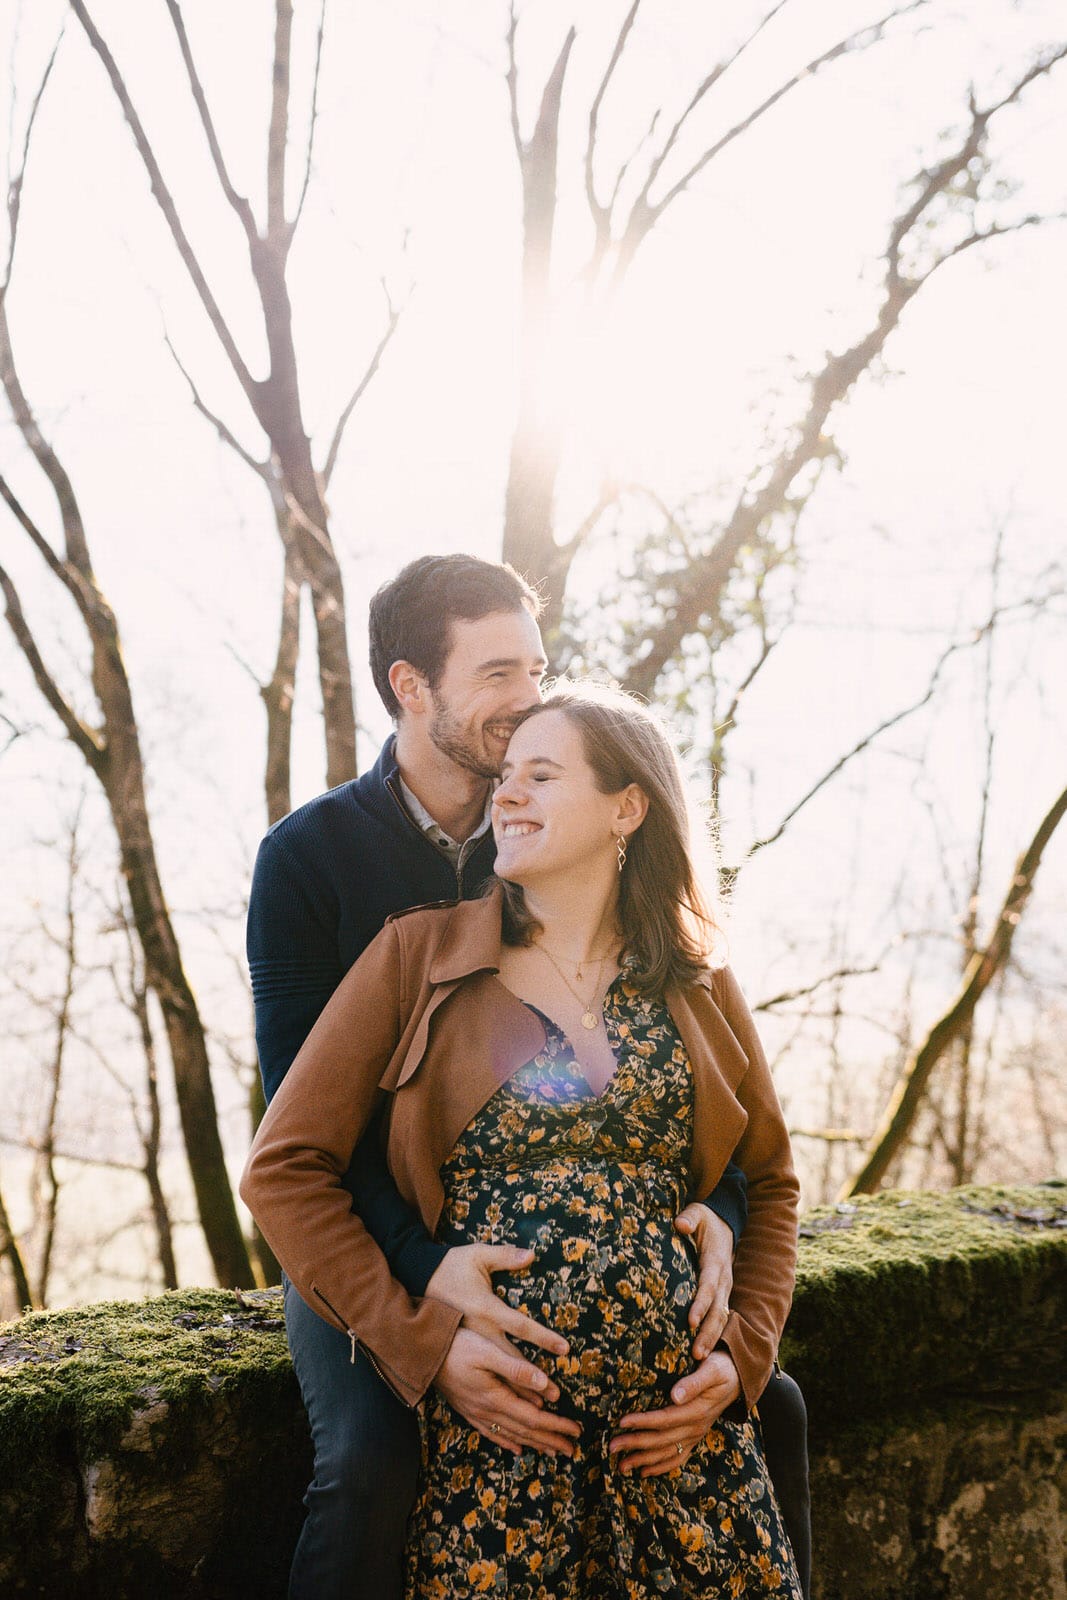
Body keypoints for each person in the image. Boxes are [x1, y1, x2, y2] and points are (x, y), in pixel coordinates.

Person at [246, 555, 789, 1599]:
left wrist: (715, 1209)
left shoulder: (664, 958)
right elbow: (305, 1141)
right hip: (377, 1235)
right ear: (413, 686)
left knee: (786, 1408)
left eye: (536, 671)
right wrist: (427, 1302)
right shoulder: (324, 867)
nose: (526, 701)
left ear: (620, 812)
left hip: (645, 1385)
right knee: (366, 1462)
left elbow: (736, 1145)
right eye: (498, 675)